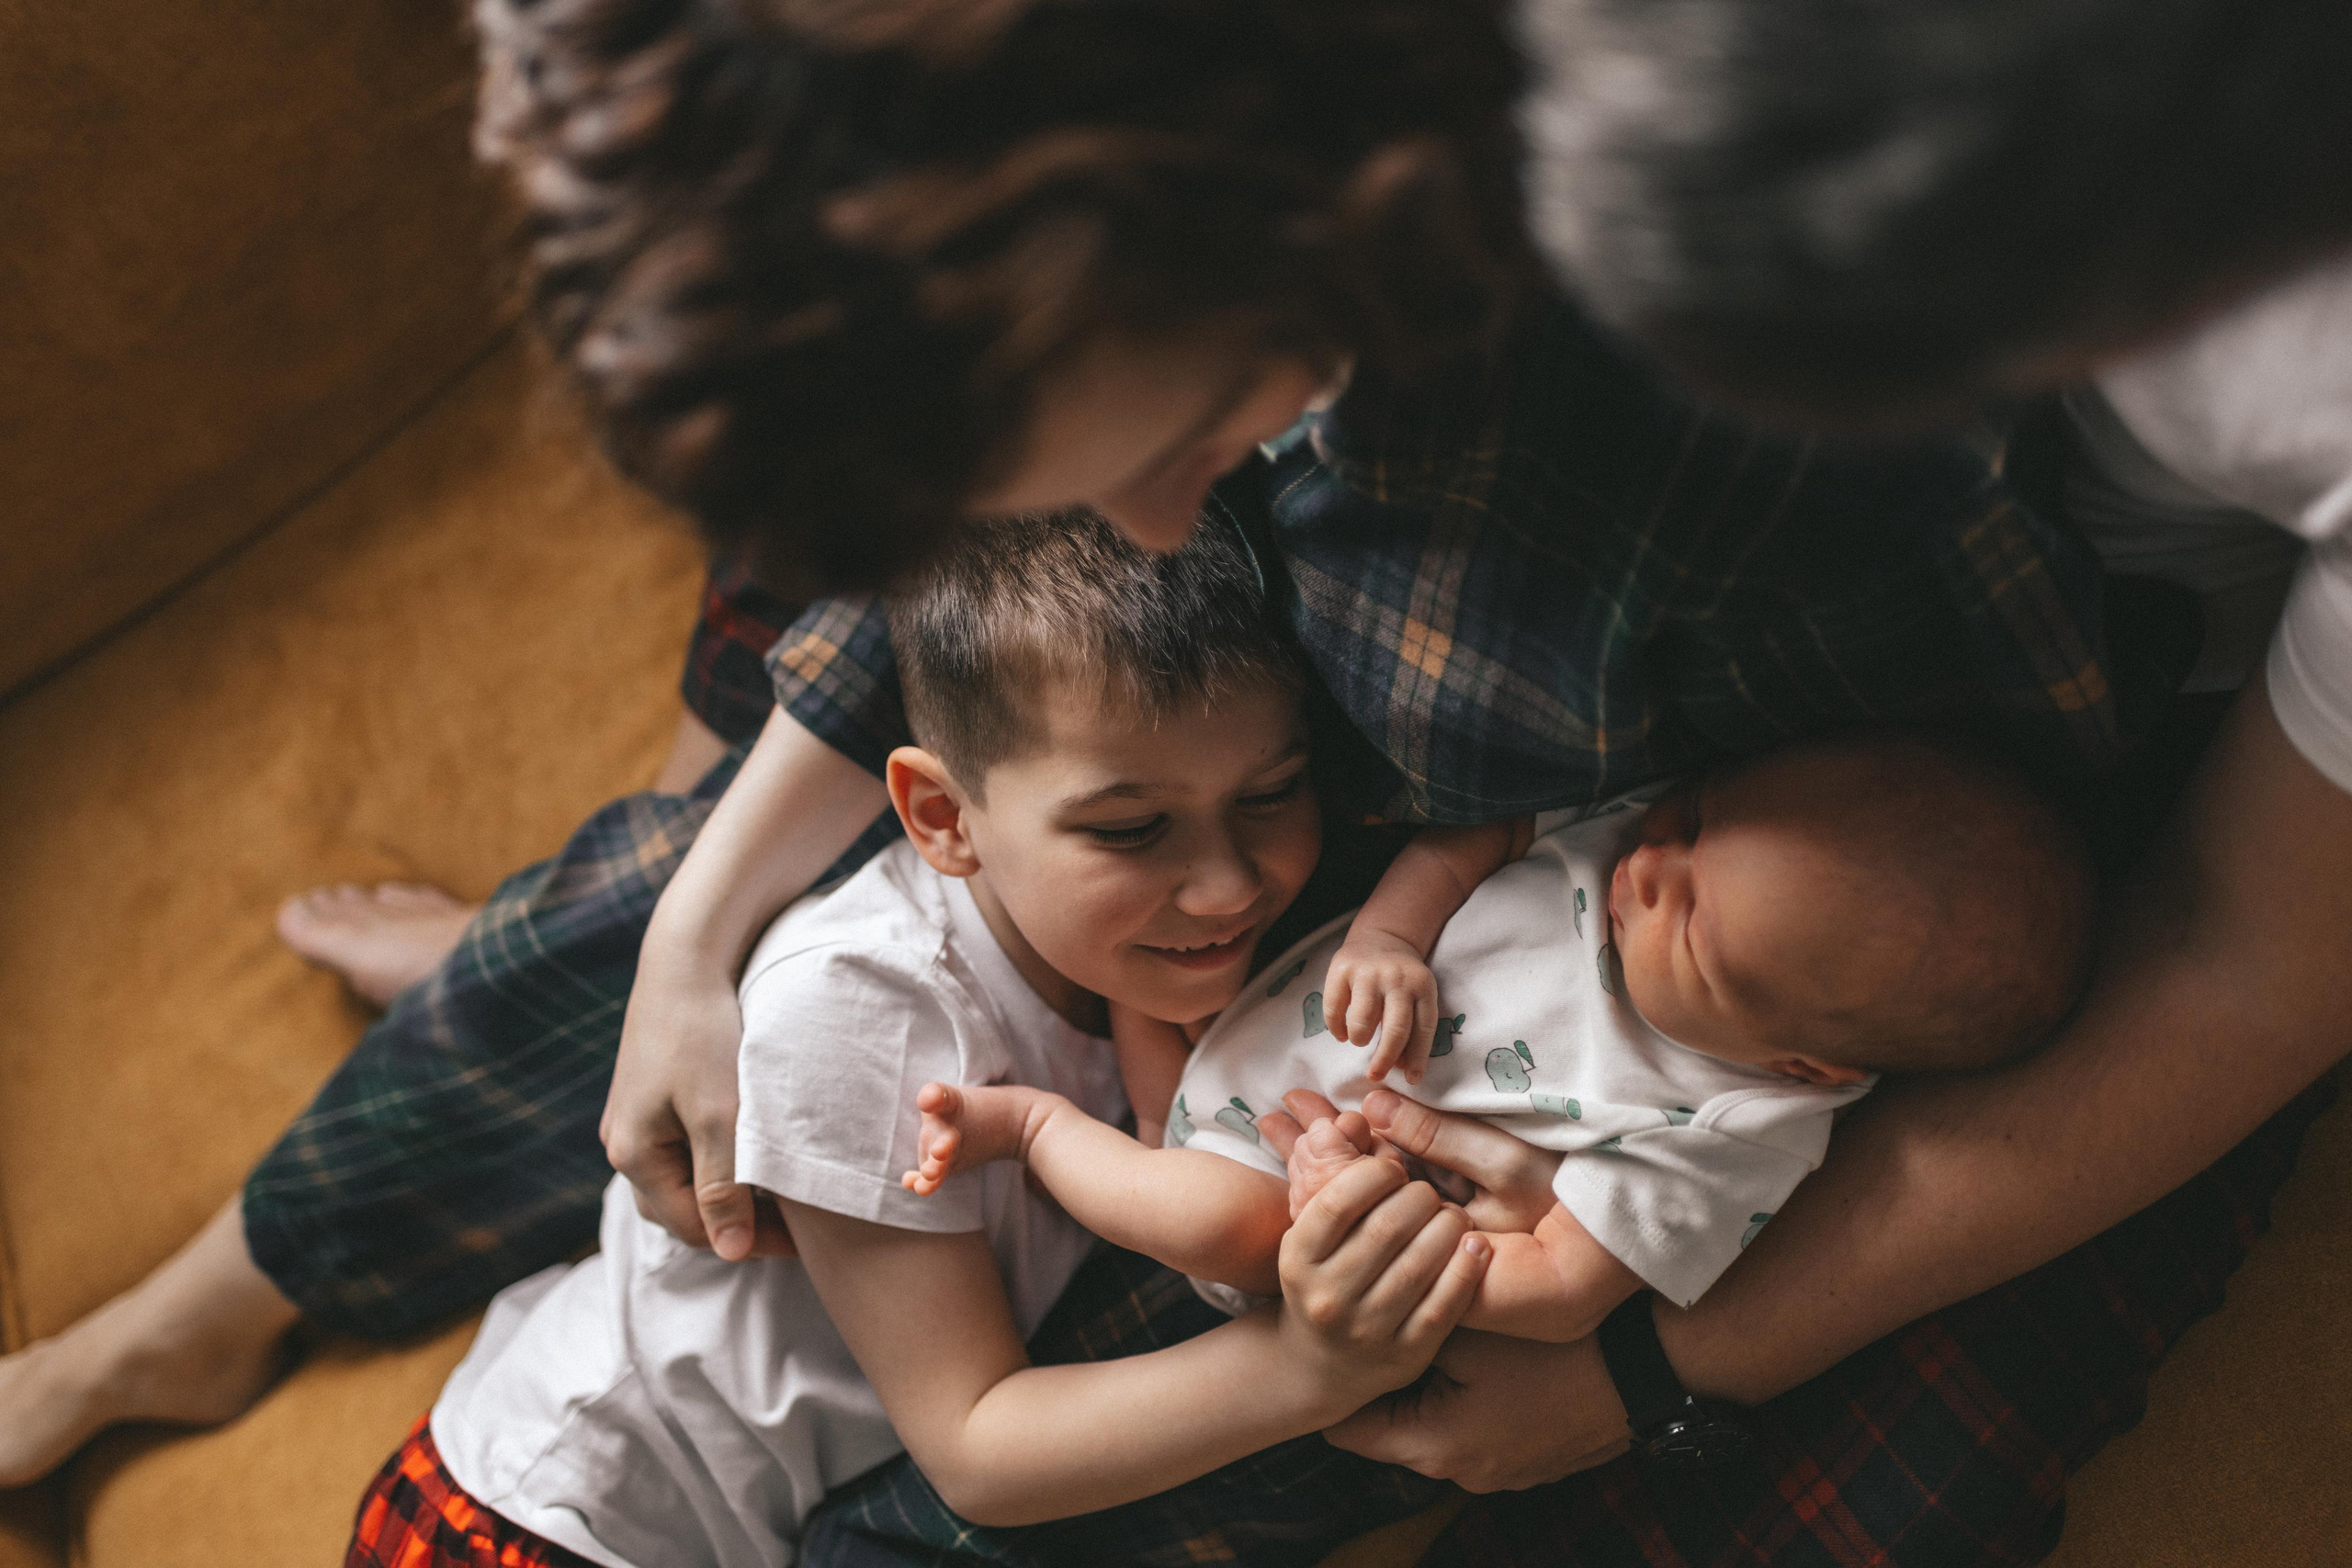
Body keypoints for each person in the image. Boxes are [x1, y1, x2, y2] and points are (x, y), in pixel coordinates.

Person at [348, 513, 1491, 1568]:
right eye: (1132, 829)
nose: (1230, 884)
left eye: (1271, 794)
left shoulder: (1144, 954)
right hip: (533, 1520)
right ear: (944, 820)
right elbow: (977, 1447)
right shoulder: (861, 1010)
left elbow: (1165, 1169)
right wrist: (1316, 1367)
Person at [908, 734, 2093, 1343]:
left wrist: (1361, 1223)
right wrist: (1387, 932)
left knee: (1213, 1219)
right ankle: (1042, 904)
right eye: (1693, 823)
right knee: (1158, 964)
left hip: (1266, 1187)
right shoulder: (1653, 834)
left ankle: (1038, 1129)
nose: (1646, 870)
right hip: (1244, 1014)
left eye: (1694, 928)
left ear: (1804, 1064)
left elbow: (1566, 1289)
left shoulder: (1742, 1130)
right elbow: (1483, 833)